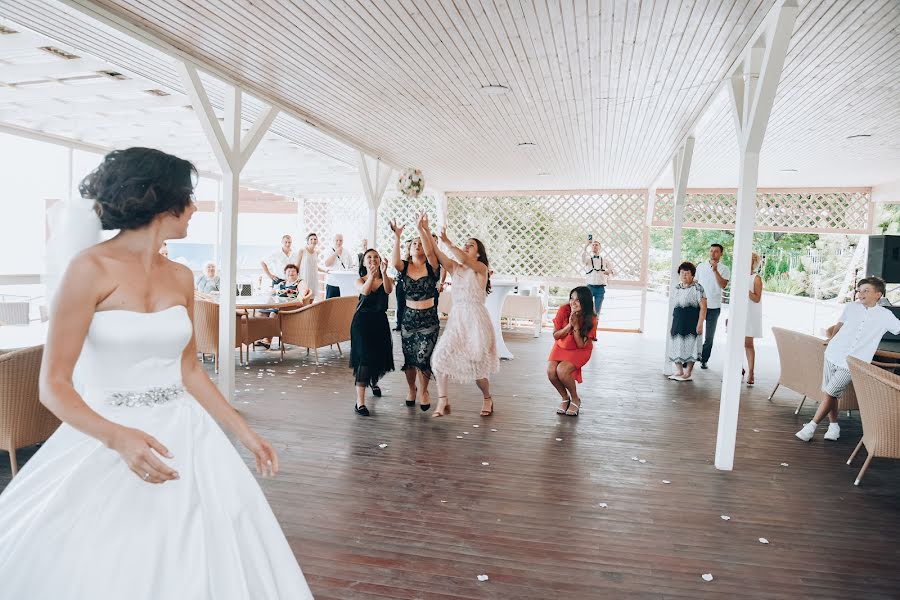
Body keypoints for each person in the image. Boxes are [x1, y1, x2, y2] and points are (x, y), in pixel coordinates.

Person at [0, 147, 312, 598]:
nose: (194, 208)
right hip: (105, 436)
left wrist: (242, 430)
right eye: (189, 197)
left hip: (187, 437)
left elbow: (188, 369)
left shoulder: (181, 277)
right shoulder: (88, 270)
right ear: (163, 202)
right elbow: (53, 385)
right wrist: (117, 437)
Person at [796, 276, 900, 442]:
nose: (861, 294)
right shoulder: (851, 307)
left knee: (830, 392)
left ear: (878, 295)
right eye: (859, 290)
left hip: (853, 361)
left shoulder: (886, 316)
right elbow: (840, 324)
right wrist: (832, 338)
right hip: (833, 353)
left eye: (866, 290)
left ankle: (811, 426)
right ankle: (834, 426)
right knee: (831, 394)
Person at [419, 214, 499, 418]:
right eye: (465, 244)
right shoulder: (455, 268)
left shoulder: (481, 269)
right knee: (438, 358)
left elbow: (463, 258)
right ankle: (443, 400)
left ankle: (487, 397)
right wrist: (427, 231)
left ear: (479, 254)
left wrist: (447, 241)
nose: (466, 247)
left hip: (476, 321)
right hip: (457, 321)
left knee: (478, 370)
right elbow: (436, 253)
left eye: (470, 245)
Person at [391, 219, 440, 411]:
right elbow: (395, 262)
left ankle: (424, 391)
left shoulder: (432, 266)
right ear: (409, 249)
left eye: (420, 243)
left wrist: (422, 230)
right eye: (414, 244)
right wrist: (397, 237)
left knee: (423, 357)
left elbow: (430, 252)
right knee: (410, 359)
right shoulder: (404, 267)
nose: (417, 245)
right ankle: (412, 389)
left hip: (429, 319)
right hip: (409, 319)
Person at [349, 249, 394, 416]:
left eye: (376, 257)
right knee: (364, 359)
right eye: (369, 257)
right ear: (364, 262)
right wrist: (371, 276)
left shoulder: (386, 279)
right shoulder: (359, 280)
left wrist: (383, 273)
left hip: (380, 322)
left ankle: (373, 382)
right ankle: (360, 402)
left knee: (377, 356)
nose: (373, 260)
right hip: (362, 323)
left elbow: (389, 290)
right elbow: (365, 291)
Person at [548, 286, 598, 417]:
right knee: (551, 372)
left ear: (585, 302)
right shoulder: (563, 310)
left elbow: (581, 345)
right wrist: (570, 324)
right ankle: (565, 398)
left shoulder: (591, 318)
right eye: (571, 298)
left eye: (578, 300)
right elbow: (556, 335)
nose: (573, 303)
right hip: (561, 345)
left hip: (579, 350)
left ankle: (575, 399)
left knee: (562, 371)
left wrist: (576, 325)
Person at [667, 261, 707, 381]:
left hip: (692, 321)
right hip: (678, 320)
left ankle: (688, 372)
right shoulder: (676, 287)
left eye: (687, 273)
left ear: (693, 275)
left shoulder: (698, 288)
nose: (684, 275)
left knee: (691, 346)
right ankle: (679, 371)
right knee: (676, 343)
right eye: (682, 273)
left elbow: (704, 307)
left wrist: (700, 323)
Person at [695, 243, 730, 369]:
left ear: (721, 254)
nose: (713, 253)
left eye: (716, 251)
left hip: (714, 307)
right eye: (711, 251)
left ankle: (704, 359)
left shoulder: (725, 269)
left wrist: (715, 270)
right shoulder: (701, 266)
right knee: (695, 332)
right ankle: (691, 358)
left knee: (709, 337)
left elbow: (723, 285)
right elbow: (696, 283)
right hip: (699, 305)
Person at [744, 252, 764, 386]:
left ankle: (751, 372)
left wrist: (745, 289)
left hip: (750, 314)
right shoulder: (738, 276)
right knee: (735, 343)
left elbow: (757, 298)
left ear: (753, 262)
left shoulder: (756, 278)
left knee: (748, 344)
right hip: (738, 313)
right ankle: (737, 369)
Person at [582, 238, 615, 314]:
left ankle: (595, 325)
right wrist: (586, 246)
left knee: (597, 312)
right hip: (589, 288)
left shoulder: (605, 260)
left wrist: (609, 271)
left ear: (600, 248)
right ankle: (587, 325)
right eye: (593, 245)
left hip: (600, 289)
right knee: (587, 310)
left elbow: (613, 271)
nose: (594, 246)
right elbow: (583, 260)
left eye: (596, 245)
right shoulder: (588, 260)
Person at [324, 233, 355, 299]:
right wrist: (335, 253)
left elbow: (350, 266)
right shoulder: (329, 250)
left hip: (344, 284)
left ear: (343, 241)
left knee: (341, 305)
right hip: (332, 282)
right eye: (337, 240)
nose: (339, 242)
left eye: (340, 240)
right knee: (330, 305)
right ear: (333, 241)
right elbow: (327, 264)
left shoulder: (346, 252)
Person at [298, 232, 324, 301]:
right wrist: (296, 280)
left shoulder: (316, 252)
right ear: (307, 241)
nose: (313, 240)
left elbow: (315, 266)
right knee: (303, 299)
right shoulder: (302, 251)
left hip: (313, 279)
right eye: (311, 239)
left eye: (315, 239)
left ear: (317, 241)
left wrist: (325, 271)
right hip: (304, 278)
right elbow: (297, 265)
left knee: (311, 299)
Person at [393, 239, 411, 331]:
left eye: (409, 246)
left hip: (409, 284)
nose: (407, 247)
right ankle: (399, 324)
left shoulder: (413, 259)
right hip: (400, 283)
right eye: (406, 246)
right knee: (400, 304)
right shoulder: (402, 258)